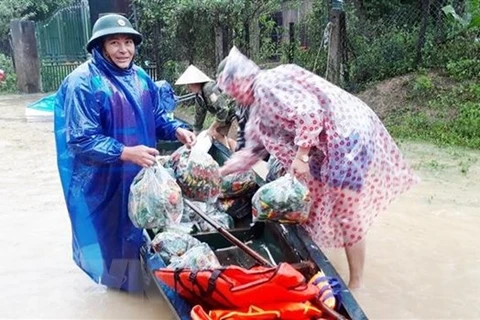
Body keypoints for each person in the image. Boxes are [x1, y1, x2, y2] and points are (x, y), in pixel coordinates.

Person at [216, 46, 419, 289]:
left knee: (345, 211)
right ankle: (316, 263)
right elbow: (251, 152)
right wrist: (218, 173)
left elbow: (310, 114)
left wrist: (301, 156)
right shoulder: (258, 110)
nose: (233, 96)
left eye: (231, 89)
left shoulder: (267, 84)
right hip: (322, 149)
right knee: (309, 205)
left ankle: (356, 283)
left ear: (239, 80)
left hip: (346, 139)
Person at [54, 13, 195, 293]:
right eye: (115, 43)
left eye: (128, 42)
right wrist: (124, 152)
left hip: (140, 175)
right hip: (103, 181)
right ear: (101, 46)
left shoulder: (140, 76)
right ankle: (122, 294)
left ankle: (136, 286)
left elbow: (156, 116)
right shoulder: (83, 82)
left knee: (136, 233)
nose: (123, 50)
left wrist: (176, 128)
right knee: (114, 244)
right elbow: (80, 139)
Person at [175, 65, 236, 145]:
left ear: (195, 82)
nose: (188, 88)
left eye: (189, 85)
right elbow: (199, 118)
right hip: (227, 117)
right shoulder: (199, 97)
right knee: (216, 133)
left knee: (232, 139)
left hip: (237, 113)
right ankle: (228, 154)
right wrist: (194, 137)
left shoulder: (209, 88)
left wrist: (212, 127)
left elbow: (223, 109)